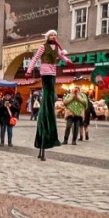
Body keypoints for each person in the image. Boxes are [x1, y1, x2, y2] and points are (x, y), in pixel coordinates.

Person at [26, 30, 72, 160]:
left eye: (55, 35)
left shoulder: (56, 47)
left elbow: (61, 57)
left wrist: (68, 61)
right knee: (47, 92)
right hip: (45, 73)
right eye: (51, 35)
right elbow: (35, 58)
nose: (53, 37)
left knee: (51, 92)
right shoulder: (43, 47)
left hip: (53, 73)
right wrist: (29, 70)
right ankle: (47, 101)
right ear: (47, 37)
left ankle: (50, 100)